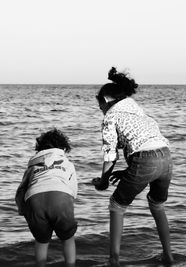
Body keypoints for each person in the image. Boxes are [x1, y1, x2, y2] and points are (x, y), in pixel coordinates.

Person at [92, 67, 174, 266]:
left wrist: (103, 182)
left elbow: (111, 154)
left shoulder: (111, 117)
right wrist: (128, 171)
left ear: (107, 101)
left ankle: (114, 260)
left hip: (145, 159)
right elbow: (143, 143)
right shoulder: (137, 110)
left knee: (117, 204)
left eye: (100, 105)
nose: (100, 109)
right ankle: (168, 255)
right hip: (166, 156)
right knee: (157, 204)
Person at [15, 128, 78, 267]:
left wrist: (22, 209)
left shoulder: (33, 165)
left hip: (35, 199)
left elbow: (21, 190)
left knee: (41, 241)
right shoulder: (67, 163)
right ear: (63, 148)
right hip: (61, 198)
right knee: (67, 238)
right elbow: (73, 189)